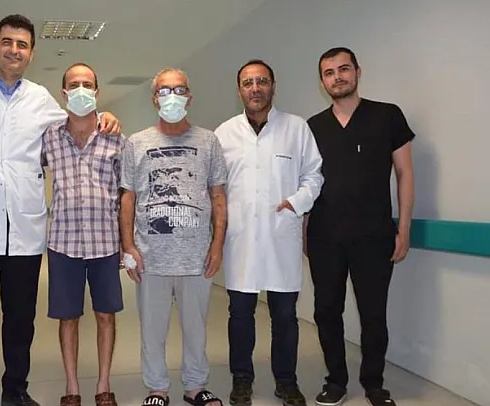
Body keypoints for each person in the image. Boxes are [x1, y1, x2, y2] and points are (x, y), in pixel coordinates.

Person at [0, 14, 121, 406]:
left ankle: (15, 392)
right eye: (7, 42)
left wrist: (105, 116)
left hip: (24, 230)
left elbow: (75, 119)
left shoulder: (40, 98)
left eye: (22, 44)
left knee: (20, 319)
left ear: (31, 53)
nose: (14, 50)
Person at [305, 47, 415, 406]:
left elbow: (405, 173)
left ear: (357, 72)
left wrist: (404, 228)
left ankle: (374, 384)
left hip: (374, 235)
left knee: (373, 314)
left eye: (343, 69)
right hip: (325, 236)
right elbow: (307, 182)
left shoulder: (387, 116)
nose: (337, 77)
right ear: (322, 82)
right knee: (326, 312)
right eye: (329, 73)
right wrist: (305, 232)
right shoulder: (313, 127)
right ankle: (336, 381)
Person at [215, 60, 324, 406]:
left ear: (273, 86)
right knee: (240, 315)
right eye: (248, 82)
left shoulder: (296, 128)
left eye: (262, 81)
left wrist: (296, 202)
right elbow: (215, 186)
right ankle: (241, 379)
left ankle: (286, 382)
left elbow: (314, 175)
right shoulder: (224, 134)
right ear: (239, 91)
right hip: (241, 240)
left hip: (281, 236)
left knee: (285, 317)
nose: (255, 88)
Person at [119, 68, 228, 406]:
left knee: (196, 327)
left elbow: (218, 195)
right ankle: (157, 389)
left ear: (189, 97)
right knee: (153, 329)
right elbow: (127, 198)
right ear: (154, 99)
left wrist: (217, 244)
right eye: (164, 91)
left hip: (196, 255)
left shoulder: (208, 141)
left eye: (179, 90)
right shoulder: (137, 143)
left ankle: (195, 386)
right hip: (151, 256)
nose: (172, 97)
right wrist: (128, 247)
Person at [41, 62, 124, 406]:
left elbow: (127, 192)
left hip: (105, 241)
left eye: (87, 84)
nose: (80, 90)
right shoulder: (49, 137)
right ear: (63, 93)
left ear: (97, 92)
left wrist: (129, 243)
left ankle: (103, 385)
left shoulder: (115, 137)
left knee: (106, 315)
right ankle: (72, 388)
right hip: (63, 242)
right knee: (68, 317)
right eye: (74, 84)